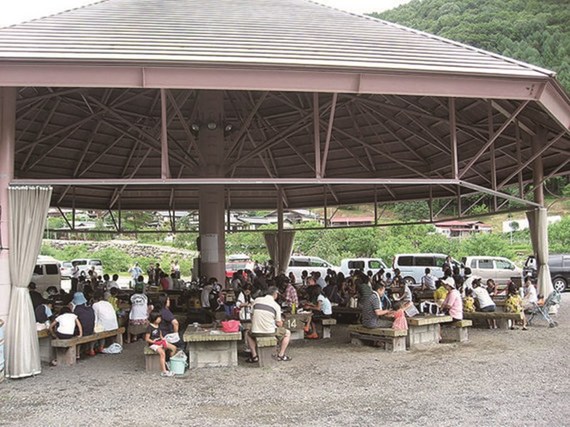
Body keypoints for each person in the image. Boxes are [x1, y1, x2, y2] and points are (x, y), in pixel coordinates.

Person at [245, 286, 292, 362]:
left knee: (248, 333)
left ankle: (254, 356)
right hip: (269, 332)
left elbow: (251, 315)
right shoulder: (276, 305)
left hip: (255, 331)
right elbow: (279, 323)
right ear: (275, 294)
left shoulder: (256, 300)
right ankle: (281, 355)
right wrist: (281, 322)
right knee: (287, 333)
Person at [144, 311, 177, 377]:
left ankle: (169, 362)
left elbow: (160, 335)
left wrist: (163, 340)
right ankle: (164, 371)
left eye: (160, 318)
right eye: (158, 318)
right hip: (153, 344)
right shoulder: (149, 327)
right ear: (154, 319)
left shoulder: (158, 325)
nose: (160, 319)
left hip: (160, 341)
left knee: (174, 348)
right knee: (162, 353)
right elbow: (147, 339)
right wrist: (155, 342)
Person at [72, 292, 97, 356]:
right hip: (91, 330)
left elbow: (74, 322)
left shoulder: (77, 309)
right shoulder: (90, 308)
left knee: (75, 332)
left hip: (82, 332)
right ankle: (91, 349)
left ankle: (77, 354)